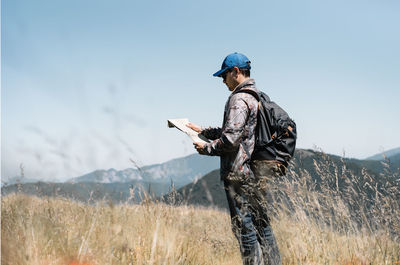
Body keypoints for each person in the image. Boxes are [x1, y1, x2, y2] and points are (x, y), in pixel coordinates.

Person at [187, 52, 283, 265]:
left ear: (236, 72)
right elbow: (242, 131)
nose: (223, 80)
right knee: (262, 224)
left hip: (239, 173)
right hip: (257, 171)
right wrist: (202, 129)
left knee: (245, 228)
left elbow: (230, 139)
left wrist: (206, 148)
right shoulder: (256, 96)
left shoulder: (238, 99)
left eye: (224, 75)